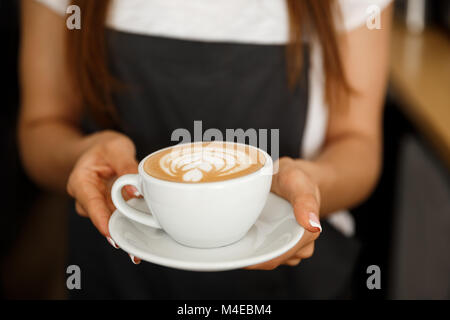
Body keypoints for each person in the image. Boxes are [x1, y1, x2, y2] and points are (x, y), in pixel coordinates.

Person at [19, 0, 393, 299]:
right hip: (116, 273)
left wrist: (310, 187)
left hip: (296, 277)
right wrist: (82, 155)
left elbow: (358, 143)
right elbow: (41, 127)